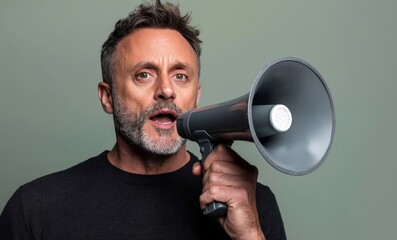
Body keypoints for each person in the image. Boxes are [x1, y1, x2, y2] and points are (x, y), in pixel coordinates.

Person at [0, 1, 286, 239]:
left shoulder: (251, 204)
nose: (166, 90)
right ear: (107, 97)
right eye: (144, 74)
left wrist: (249, 232)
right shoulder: (35, 208)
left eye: (181, 76)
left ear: (196, 97)